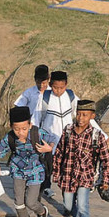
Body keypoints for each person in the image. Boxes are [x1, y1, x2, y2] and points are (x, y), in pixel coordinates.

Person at [53, 99, 109, 217]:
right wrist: (56, 171)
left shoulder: (97, 136)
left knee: (84, 205)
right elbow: (59, 152)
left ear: (92, 116)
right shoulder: (67, 131)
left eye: (84, 115)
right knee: (68, 204)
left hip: (85, 176)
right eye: (78, 114)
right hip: (67, 175)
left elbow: (106, 160)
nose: (80, 118)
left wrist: (105, 181)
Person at [0, 105, 52, 217]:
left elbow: (53, 140)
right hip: (18, 171)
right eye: (16, 129)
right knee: (18, 202)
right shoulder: (10, 138)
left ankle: (42, 212)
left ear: (30, 125)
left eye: (24, 129)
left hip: (35, 170)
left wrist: (49, 148)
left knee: (30, 201)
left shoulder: (38, 133)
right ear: (11, 127)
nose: (20, 132)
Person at [37, 70, 78, 198]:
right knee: (47, 168)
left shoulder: (71, 96)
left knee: (66, 171)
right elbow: (36, 119)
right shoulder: (45, 98)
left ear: (66, 85)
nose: (58, 91)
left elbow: (83, 115)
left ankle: (68, 202)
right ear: (50, 84)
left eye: (62, 87)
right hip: (49, 142)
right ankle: (44, 189)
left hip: (66, 142)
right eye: (55, 87)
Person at [13, 64, 50, 128]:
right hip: (33, 126)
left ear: (48, 79)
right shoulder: (29, 92)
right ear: (35, 80)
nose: (41, 85)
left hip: (48, 127)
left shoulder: (51, 93)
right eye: (38, 82)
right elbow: (18, 106)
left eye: (44, 83)